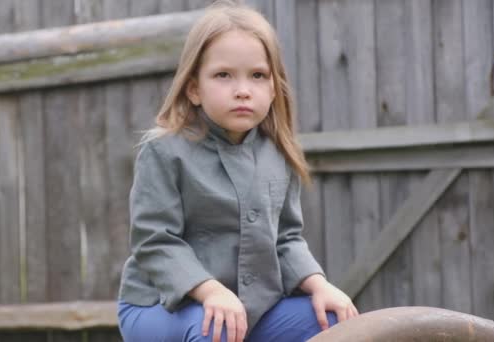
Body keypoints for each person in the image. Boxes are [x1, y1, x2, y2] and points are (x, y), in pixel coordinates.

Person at [117, 1, 358, 341]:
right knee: (215, 331)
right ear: (194, 88)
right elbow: (156, 242)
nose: (243, 89)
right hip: (159, 306)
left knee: (332, 318)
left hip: (251, 310)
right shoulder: (164, 151)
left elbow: (286, 239)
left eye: (258, 75)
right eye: (223, 75)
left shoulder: (278, 153)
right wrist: (211, 292)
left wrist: (320, 285)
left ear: (274, 88)